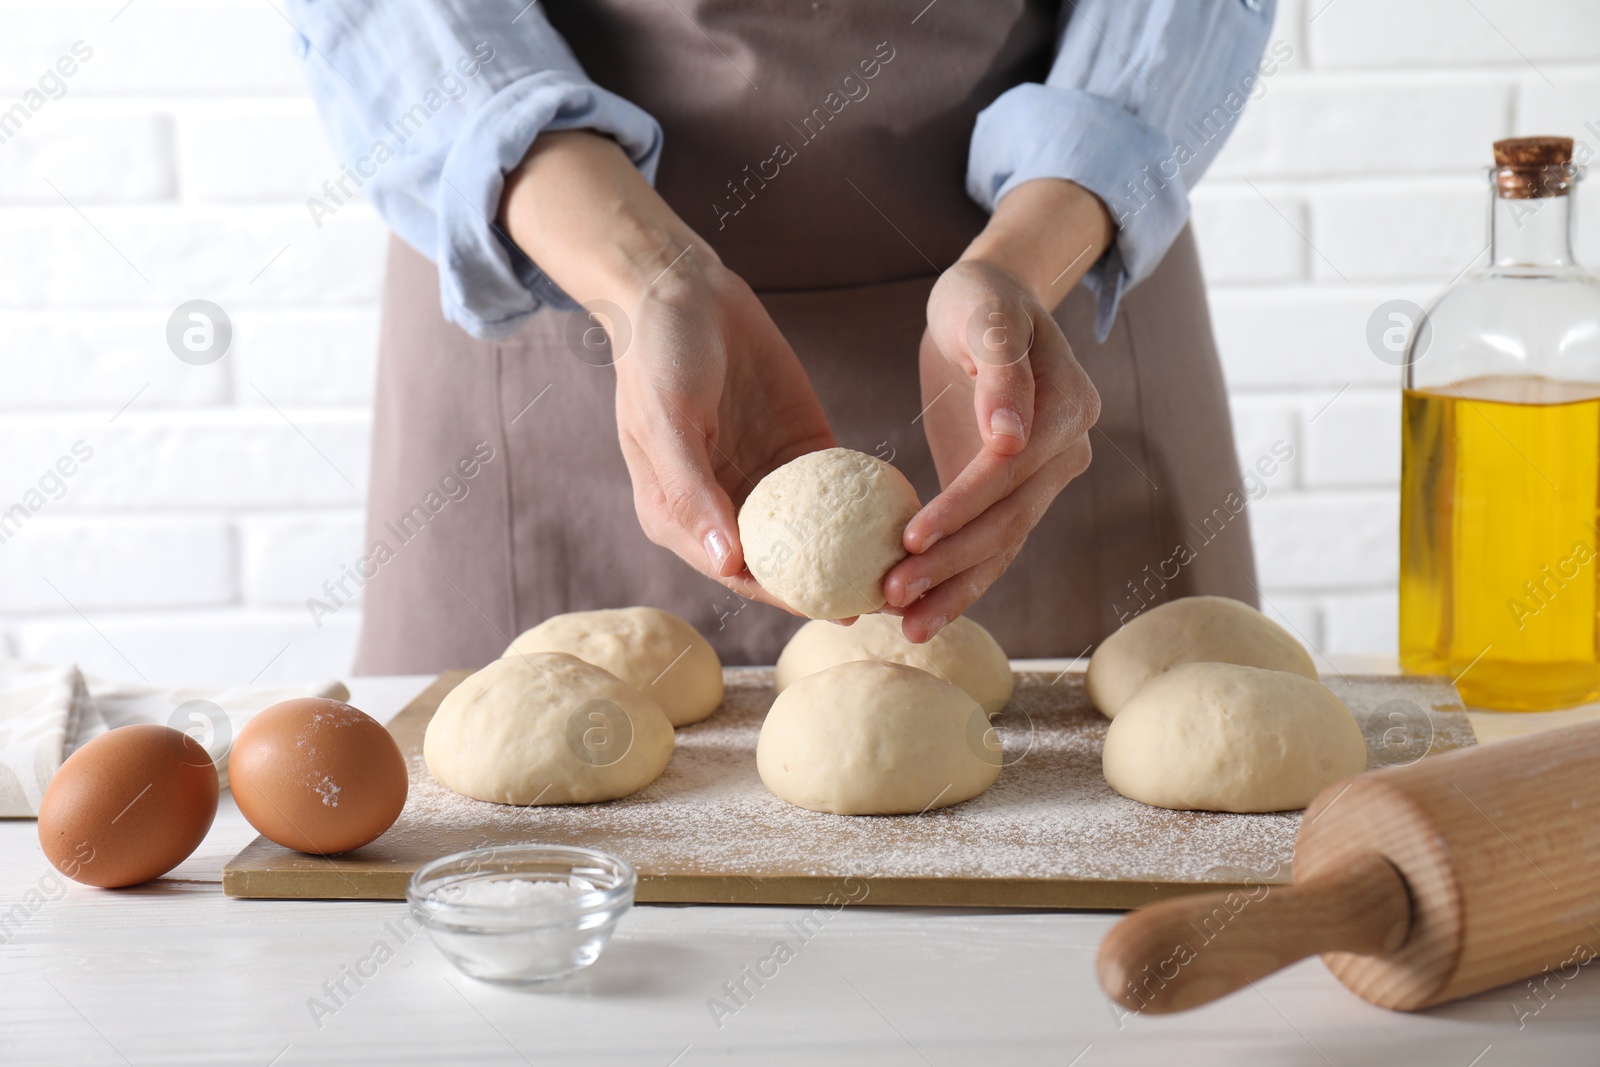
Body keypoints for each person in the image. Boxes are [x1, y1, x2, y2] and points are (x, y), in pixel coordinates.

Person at [287, 0, 1276, 673]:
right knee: (507, 887)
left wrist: (1027, 256)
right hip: (554, 268)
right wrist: (641, 277)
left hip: (1044, 290)